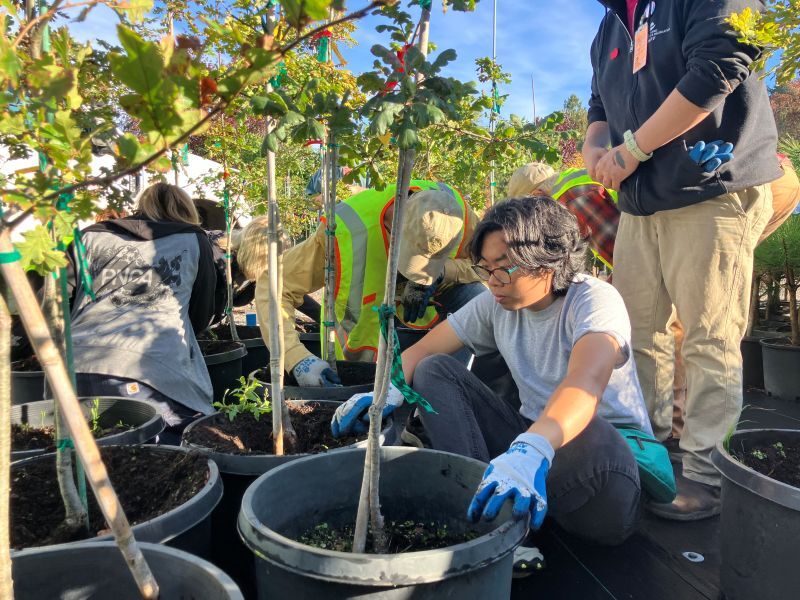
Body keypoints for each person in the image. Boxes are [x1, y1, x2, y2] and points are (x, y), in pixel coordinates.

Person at [332, 196, 656, 546]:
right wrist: (384, 392)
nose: (493, 281)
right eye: (485, 267)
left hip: (600, 472)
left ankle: (502, 524)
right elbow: (425, 349)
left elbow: (585, 383)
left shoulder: (593, 300)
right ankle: (487, 521)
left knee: (592, 432)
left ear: (548, 259)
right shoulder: (496, 303)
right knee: (435, 370)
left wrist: (533, 449)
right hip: (528, 453)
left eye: (503, 266)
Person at [584, 0, 782, 519]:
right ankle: (647, 456)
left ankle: (706, 473)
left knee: (709, 336)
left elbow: (719, 64)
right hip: (639, 202)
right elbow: (598, 111)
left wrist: (630, 152)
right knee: (638, 335)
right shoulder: (609, 24)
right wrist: (596, 155)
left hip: (708, 187)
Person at [255, 181, 486, 387]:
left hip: (428, 336)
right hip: (357, 362)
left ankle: (442, 392)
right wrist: (297, 358)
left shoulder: (458, 215)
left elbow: (483, 267)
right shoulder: (343, 230)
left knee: (476, 297)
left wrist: (442, 273)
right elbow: (274, 283)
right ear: (394, 230)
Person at [69, 182, 218, 443]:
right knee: (170, 452)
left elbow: (60, 302)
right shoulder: (194, 239)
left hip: (78, 365)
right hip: (153, 370)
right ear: (187, 210)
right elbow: (202, 311)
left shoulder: (88, 236)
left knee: (86, 458)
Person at [507, 162, 618, 268]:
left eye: (528, 209)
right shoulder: (572, 179)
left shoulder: (571, 201)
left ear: (538, 195)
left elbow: (621, 253)